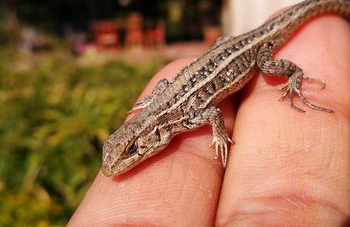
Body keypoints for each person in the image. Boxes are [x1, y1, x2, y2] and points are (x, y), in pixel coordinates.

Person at [68, 13, 350, 226]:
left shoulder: (181, 118)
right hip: (227, 51)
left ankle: (296, 74)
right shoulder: (170, 120)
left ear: (149, 137)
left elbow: (212, 112)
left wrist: (218, 134)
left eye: (130, 151)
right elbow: (166, 84)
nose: (122, 161)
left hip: (253, 50)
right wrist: (154, 102)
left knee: (268, 66)